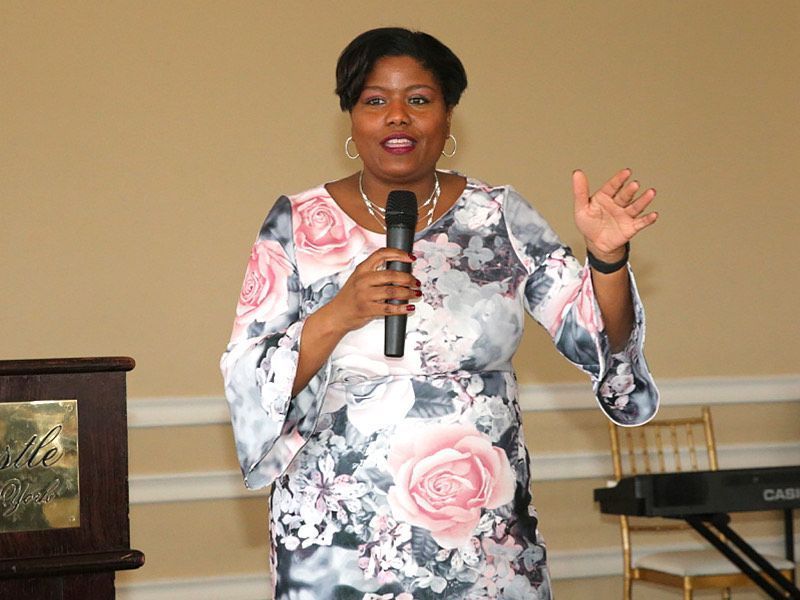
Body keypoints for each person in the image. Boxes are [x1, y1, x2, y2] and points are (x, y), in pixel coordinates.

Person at [221, 27, 659, 600]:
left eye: (419, 99)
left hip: (482, 538)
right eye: (375, 100)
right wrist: (339, 313)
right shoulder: (297, 223)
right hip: (338, 539)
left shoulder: (498, 216)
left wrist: (606, 259)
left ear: (448, 115)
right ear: (351, 118)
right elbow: (246, 374)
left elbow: (599, 339)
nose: (397, 116)